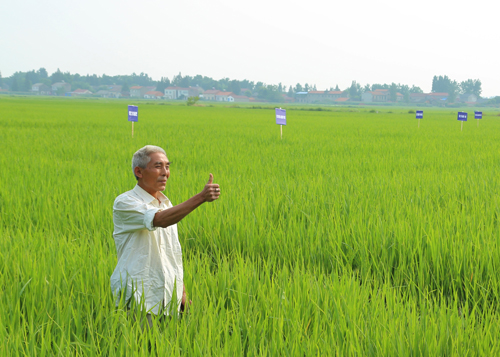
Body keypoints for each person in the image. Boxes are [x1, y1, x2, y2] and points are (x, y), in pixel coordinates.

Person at [110, 145, 220, 326]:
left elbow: (171, 254)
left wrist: (181, 292)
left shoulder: (166, 204)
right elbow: (159, 220)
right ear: (139, 171)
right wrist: (200, 198)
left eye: (167, 167)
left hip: (168, 295)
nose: (165, 172)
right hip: (138, 295)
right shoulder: (125, 202)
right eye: (158, 166)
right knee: (140, 347)